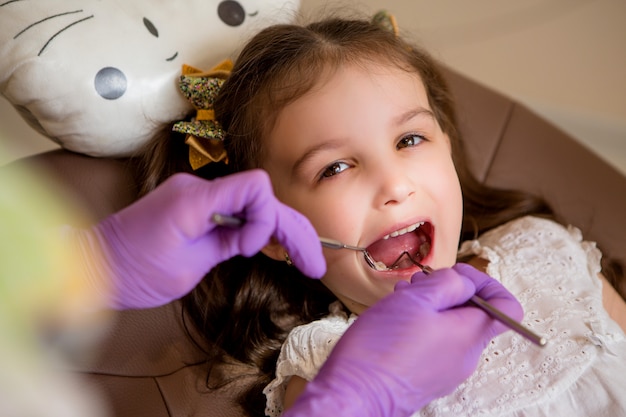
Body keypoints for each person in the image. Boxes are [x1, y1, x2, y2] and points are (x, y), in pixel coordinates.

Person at [131, 11, 626, 417]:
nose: (394, 185)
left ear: (447, 150)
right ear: (276, 232)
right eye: (336, 168)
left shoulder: (545, 250)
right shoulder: (325, 370)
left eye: (410, 140)